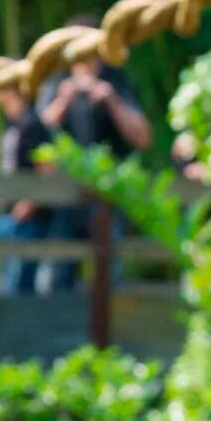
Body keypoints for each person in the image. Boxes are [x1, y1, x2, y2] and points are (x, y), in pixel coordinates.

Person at [35, 15, 153, 291]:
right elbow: (36, 139)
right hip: (64, 198)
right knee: (53, 279)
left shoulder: (116, 80)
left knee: (110, 276)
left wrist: (110, 99)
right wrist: (64, 99)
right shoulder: (55, 83)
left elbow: (143, 138)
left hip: (107, 197)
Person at [0, 85, 54, 295]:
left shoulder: (34, 124)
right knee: (7, 283)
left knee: (20, 285)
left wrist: (28, 204)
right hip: (7, 212)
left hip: (26, 217)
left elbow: (47, 170)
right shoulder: (12, 124)